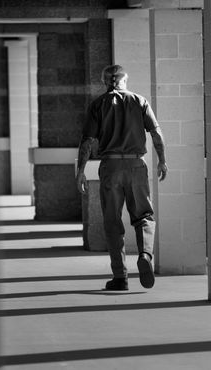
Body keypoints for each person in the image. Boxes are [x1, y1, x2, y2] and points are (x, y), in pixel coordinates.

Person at [76, 65, 168, 291]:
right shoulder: (139, 101)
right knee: (144, 215)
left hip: (111, 166)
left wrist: (80, 171)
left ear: (105, 81)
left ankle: (120, 277)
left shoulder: (98, 104)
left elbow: (87, 141)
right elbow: (156, 133)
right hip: (137, 164)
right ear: (124, 80)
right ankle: (145, 254)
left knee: (112, 221)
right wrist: (162, 159)